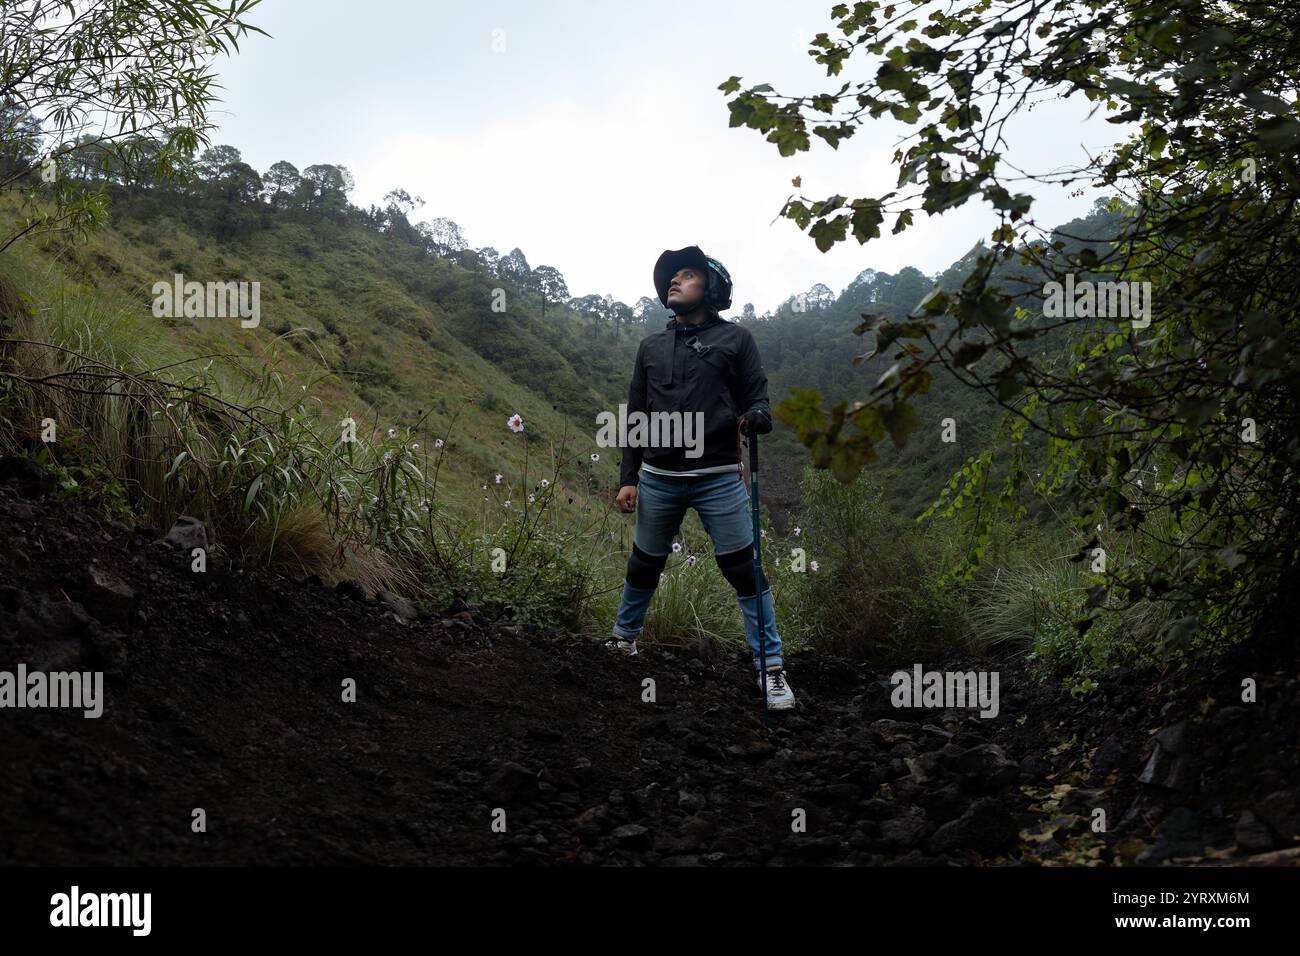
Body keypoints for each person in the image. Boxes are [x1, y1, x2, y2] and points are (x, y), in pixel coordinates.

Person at [604, 245, 795, 712]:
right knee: (644, 564)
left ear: (711, 288)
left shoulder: (736, 340)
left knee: (744, 572)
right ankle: (622, 642)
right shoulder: (650, 347)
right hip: (658, 476)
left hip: (718, 476)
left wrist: (756, 416)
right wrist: (629, 477)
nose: (674, 281)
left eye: (687, 275)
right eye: (672, 277)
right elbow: (637, 418)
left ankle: (771, 670)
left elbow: (760, 400)